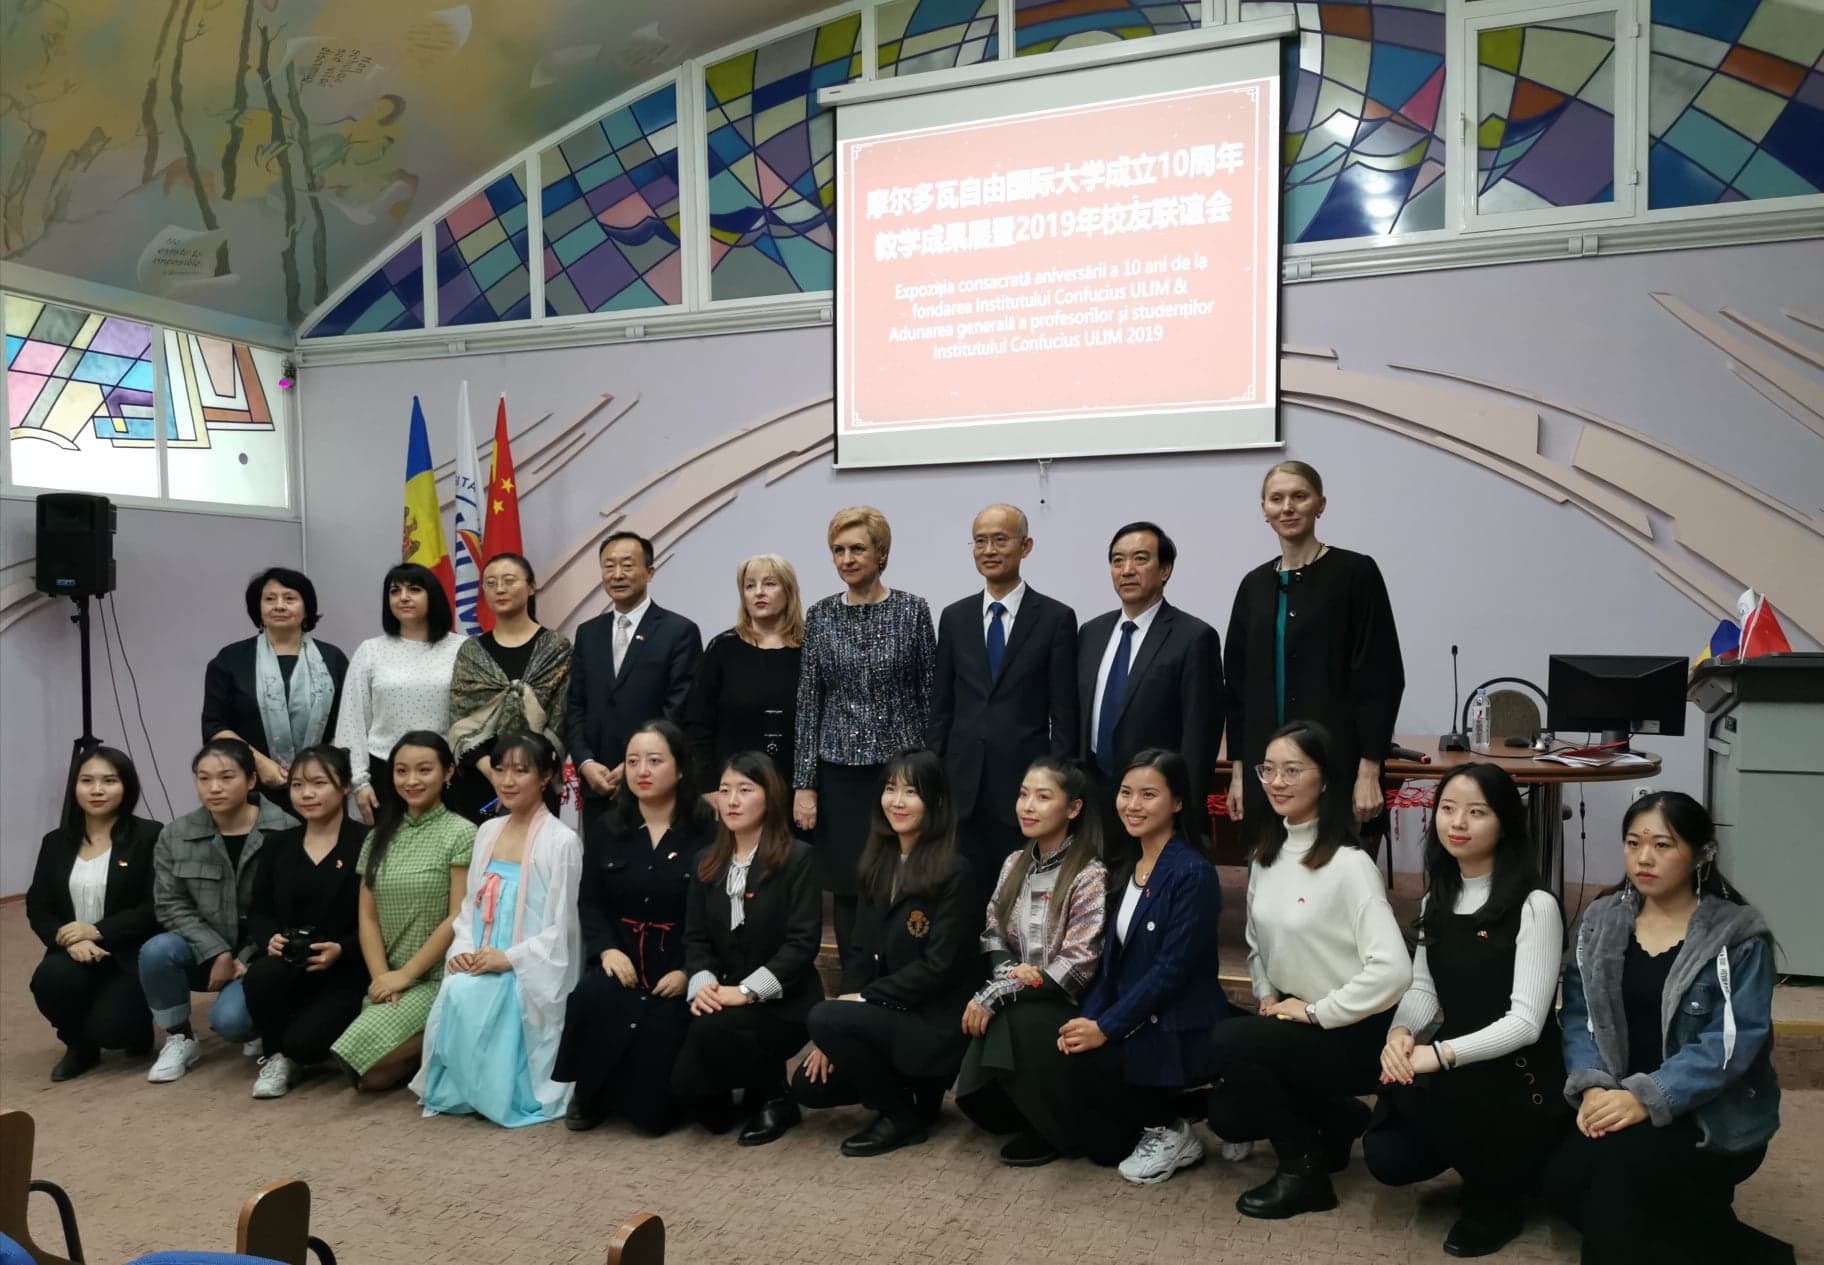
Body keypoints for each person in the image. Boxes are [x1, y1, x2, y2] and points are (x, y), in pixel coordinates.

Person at [1544, 792, 1791, 1265]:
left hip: (1706, 1113)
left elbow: (1733, 1043)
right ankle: (1737, 1243)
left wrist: (1646, 1097)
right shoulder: (1601, 919)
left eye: (1663, 845)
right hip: (1616, 1099)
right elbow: (1577, 1014)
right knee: (1562, 1183)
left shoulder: (1735, 935)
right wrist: (1595, 1088)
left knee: (1614, 1188)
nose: (1644, 858)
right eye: (1633, 843)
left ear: (1700, 853)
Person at [1204, 720, 1412, 1218]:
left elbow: (1395, 972)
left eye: (1292, 770)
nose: (1277, 782)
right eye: (1268, 770)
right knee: (1227, 1114)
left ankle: (1302, 1172)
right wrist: (1267, 994)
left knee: (1230, 1045)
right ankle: (1337, 1121)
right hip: (1294, 1015)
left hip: (1355, 1027)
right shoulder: (1265, 853)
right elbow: (1256, 942)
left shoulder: (1348, 864)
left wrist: (1317, 1011)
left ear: (1324, 779)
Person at [1363, 763, 1567, 1256]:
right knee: (1388, 1155)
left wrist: (1439, 1055)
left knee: (1459, 1100)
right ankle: (1491, 1166)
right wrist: (1400, 1035)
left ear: (1504, 823)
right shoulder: (1439, 895)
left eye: (1477, 812)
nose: (1458, 823)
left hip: (1520, 1074)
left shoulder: (1535, 904)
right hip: (1458, 1060)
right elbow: (1423, 988)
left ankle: (1500, 1196)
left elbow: (1525, 1023)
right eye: (1448, 809)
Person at [792, 750, 975, 1157]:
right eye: (890, 789)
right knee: (808, 1087)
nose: (897, 801)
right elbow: (858, 953)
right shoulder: (878, 863)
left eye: (911, 791)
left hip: (931, 1024)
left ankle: (901, 1116)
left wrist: (858, 1004)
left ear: (936, 802)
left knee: (823, 1014)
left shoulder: (954, 872)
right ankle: (910, 1096)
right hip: (885, 1018)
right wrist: (838, 1028)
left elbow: (937, 968)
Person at [1058, 749, 1228, 1184]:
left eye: (1148, 794)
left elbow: (1171, 970)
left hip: (1173, 1020)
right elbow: (1112, 964)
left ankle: (1176, 1127)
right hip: (1136, 1012)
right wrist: (1088, 1018)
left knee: (1096, 1076)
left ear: (1176, 802)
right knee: (1096, 1137)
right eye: (1126, 792)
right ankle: (1185, 1109)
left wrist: (1106, 1027)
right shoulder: (1127, 866)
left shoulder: (1193, 873)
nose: (1132, 805)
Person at [554, 719, 717, 1134]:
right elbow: (590, 903)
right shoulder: (609, 828)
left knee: (653, 1117)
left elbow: (713, 917)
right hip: (622, 954)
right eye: (632, 761)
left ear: (680, 769)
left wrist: (689, 971)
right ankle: (588, 1093)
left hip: (677, 961)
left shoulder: (707, 832)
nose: (642, 771)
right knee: (593, 997)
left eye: (655, 760)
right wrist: (607, 951)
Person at [1224, 461, 1404, 837]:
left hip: (1336, 767)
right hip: (1267, 774)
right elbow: (1238, 689)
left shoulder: (1355, 573)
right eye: (1277, 499)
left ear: (1320, 504)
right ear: (1264, 509)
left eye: (1299, 497)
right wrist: (1239, 771)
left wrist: (1369, 770)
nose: (1287, 507)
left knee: (1333, 882)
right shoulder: (1252, 586)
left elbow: (1380, 677)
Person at [413, 732, 584, 1127]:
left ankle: (502, 1090)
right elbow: (471, 908)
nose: (507, 781)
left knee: (482, 997)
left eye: (520, 771)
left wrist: (508, 958)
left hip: (527, 963)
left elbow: (563, 929)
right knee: (458, 988)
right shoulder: (487, 831)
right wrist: (466, 949)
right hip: (482, 951)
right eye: (500, 769)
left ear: (544, 777)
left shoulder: (562, 842)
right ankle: (463, 1087)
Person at [794, 507, 936, 958]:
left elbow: (930, 694)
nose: (847, 558)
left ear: (882, 554)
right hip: (839, 773)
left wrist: (930, 773)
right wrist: (804, 784)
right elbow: (808, 702)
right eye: (838, 550)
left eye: (858, 548)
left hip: (901, 773)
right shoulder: (819, 616)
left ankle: (897, 974)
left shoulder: (913, 610)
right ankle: (854, 983)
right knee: (849, 884)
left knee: (902, 878)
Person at [954, 756, 1108, 1166]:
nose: (1027, 806)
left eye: (1043, 797)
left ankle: (1054, 1127)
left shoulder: (1089, 873)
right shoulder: (1012, 863)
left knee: (1009, 1016)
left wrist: (1001, 993)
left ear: (1073, 809)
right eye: (1024, 795)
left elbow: (1078, 964)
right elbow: (992, 931)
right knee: (978, 1096)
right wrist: (1008, 980)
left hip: (1066, 1002)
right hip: (1017, 992)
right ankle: (1022, 1109)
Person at [928, 505, 1079, 905]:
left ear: (1025, 546)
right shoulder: (954, 617)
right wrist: (936, 778)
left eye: (1000, 539)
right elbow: (941, 707)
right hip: (962, 790)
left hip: (1023, 789)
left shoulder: (1054, 618)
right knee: (960, 899)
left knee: (1018, 900)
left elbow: (1064, 714)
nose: (989, 549)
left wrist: (1056, 787)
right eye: (980, 541)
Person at [673, 751, 823, 1145]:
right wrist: (703, 985)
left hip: (785, 1002)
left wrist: (744, 992)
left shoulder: (798, 859)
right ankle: (739, 1087)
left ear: (770, 797)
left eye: (745, 789)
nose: (732, 800)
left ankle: (776, 1094)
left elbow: (802, 943)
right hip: (722, 992)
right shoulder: (706, 861)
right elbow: (696, 938)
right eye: (724, 791)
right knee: (707, 1113)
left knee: (714, 1028)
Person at [141, 738, 299, 1084]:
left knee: (232, 1023)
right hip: (205, 951)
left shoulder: (285, 830)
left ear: (252, 780)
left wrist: (245, 955)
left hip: (261, 953)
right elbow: (170, 904)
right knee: (156, 951)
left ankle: (258, 1019)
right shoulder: (176, 834)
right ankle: (180, 1037)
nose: (214, 788)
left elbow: (288, 908)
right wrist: (218, 952)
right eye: (203, 778)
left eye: (227, 777)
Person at [328, 732, 475, 1091]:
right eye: (401, 771)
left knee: (362, 1063)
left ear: (448, 772)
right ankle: (439, 1046)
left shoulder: (463, 832)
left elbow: (458, 915)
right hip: (390, 976)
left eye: (424, 770)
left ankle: (446, 1033)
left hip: (437, 976)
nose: (411, 781)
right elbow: (368, 917)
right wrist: (383, 978)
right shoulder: (377, 837)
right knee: (369, 1077)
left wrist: (407, 974)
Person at [239, 744, 369, 1100]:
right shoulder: (279, 844)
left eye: (318, 783)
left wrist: (342, 948)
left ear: (344, 787)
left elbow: (379, 918)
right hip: (289, 964)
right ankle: (276, 1054)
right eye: (297, 785)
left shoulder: (366, 842)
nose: (307, 794)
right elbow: (259, 910)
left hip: (346, 969)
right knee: (260, 976)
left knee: (306, 1044)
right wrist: (270, 939)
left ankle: (302, 1045)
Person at [1076, 522, 1221, 842]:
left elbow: (1200, 734)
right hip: (1095, 801)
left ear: (1165, 569)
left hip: (1157, 802)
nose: (1127, 570)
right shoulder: (1091, 633)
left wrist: (1186, 810)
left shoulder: (1193, 637)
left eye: (1140, 559)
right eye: (1117, 561)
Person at [26, 748, 162, 1080]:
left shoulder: (149, 835)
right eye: (87, 781)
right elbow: (38, 904)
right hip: (74, 951)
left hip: (127, 952)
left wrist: (96, 930)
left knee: (116, 1032)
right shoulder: (55, 842)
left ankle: (135, 1024)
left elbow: (154, 906)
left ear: (126, 787)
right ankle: (78, 1046)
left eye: (109, 781)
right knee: (48, 981)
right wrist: (67, 938)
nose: (97, 790)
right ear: (75, 787)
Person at [566, 531, 703, 845]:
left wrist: (634, 765)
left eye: (627, 565)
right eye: (608, 566)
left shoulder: (678, 631)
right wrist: (586, 763)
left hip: (653, 785)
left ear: (650, 572)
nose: (617, 575)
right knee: (600, 881)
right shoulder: (588, 634)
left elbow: (678, 709)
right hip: (598, 784)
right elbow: (575, 707)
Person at [201, 567, 349, 817]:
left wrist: (319, 767)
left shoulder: (332, 659)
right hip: (253, 786)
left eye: (290, 598)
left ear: (306, 607)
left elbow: (350, 721)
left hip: (321, 788)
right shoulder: (230, 659)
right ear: (258, 608)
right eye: (270, 599)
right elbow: (214, 725)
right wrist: (258, 763)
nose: (279, 606)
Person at [333, 562, 463, 825]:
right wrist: (359, 782)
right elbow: (352, 721)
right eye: (395, 591)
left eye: (414, 589)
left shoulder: (462, 649)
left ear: (433, 596)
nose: (403, 597)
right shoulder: (370, 651)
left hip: (447, 773)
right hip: (385, 772)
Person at [448, 553, 572, 821]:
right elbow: (460, 722)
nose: (500, 589)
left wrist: (522, 776)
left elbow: (561, 719)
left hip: (538, 779)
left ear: (531, 587)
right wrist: (496, 775)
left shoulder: (556, 648)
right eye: (490, 583)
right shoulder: (471, 652)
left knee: (531, 859)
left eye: (509, 581)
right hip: (478, 779)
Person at [682, 553, 804, 787]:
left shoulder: (810, 649)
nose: (758, 592)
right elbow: (698, 725)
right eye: (750, 585)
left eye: (769, 583)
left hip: (797, 789)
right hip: (732, 788)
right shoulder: (723, 649)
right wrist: (709, 787)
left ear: (788, 591)